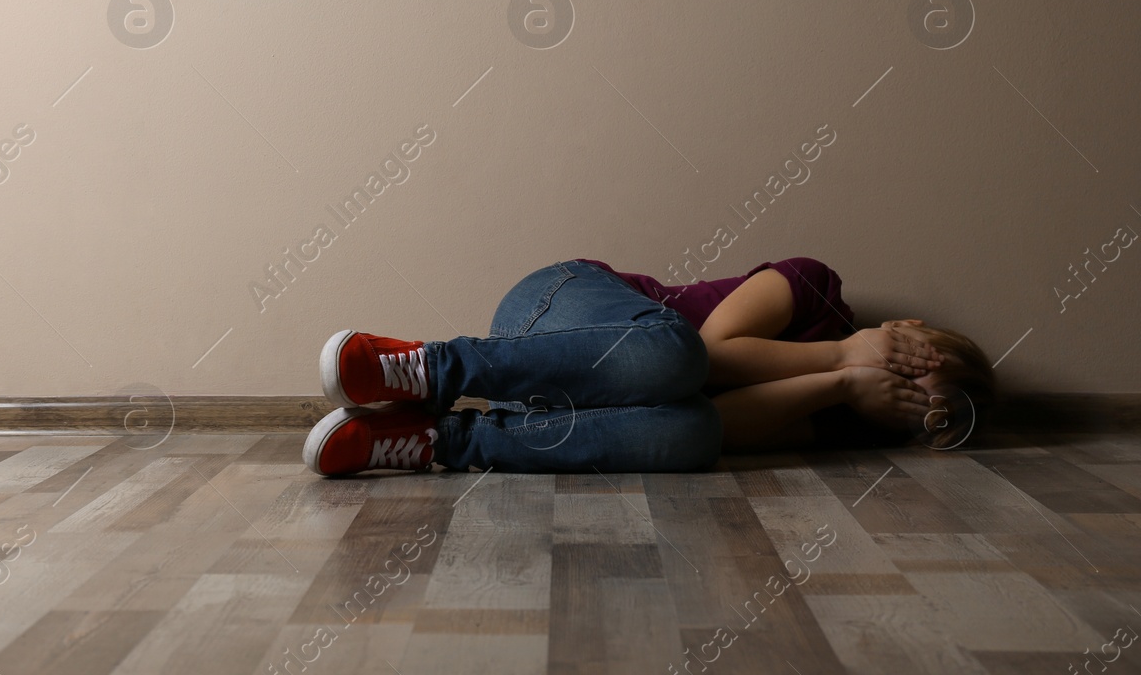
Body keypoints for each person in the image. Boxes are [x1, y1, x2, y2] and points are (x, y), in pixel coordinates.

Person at [301, 257, 997, 476]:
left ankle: (438, 441)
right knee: (677, 355)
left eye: (911, 394)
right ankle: (431, 368)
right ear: (904, 327)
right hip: (556, 308)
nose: (896, 377)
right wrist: (844, 352)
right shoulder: (816, 290)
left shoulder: (841, 417)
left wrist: (846, 386)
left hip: (560, 396)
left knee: (694, 438)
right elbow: (714, 357)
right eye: (911, 357)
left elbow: (716, 421)